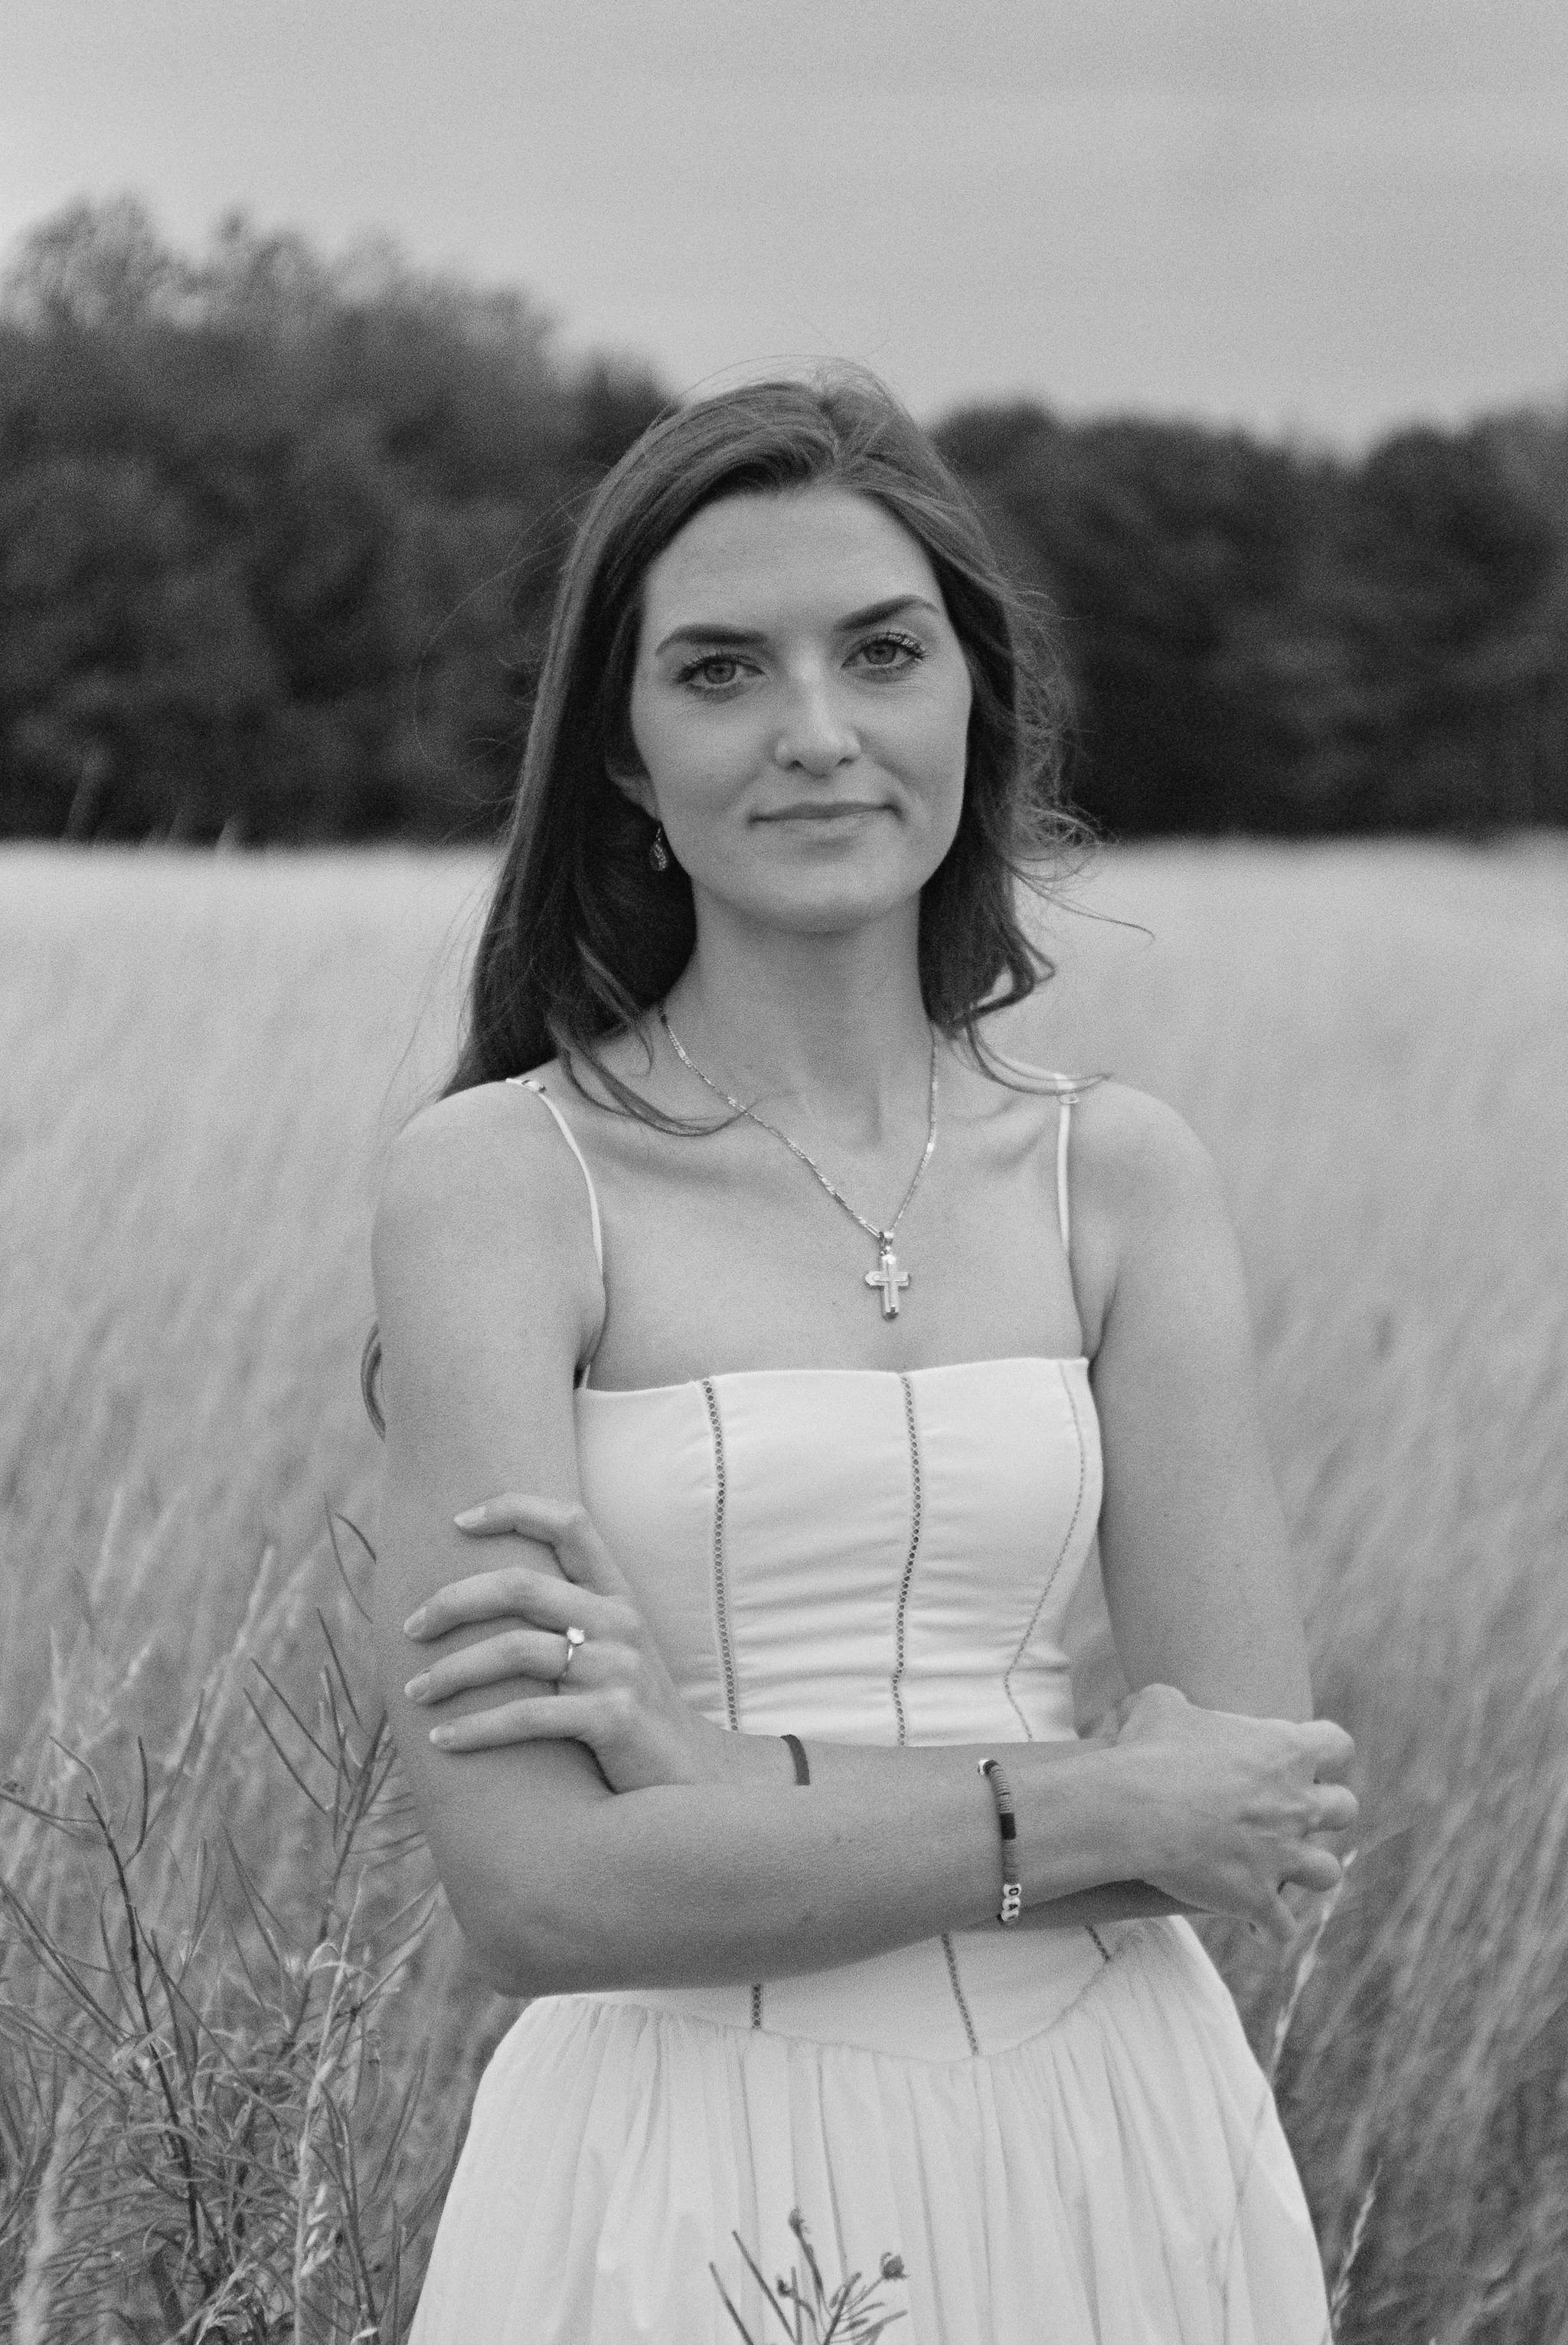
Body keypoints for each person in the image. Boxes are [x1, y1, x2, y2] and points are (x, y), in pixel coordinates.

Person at [364, 369, 1357, 2343]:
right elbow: (541, 1897)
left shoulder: (1120, 1177)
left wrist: (707, 1781)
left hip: (1116, 2143)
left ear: (970, 707)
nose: (818, 734)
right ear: (625, 762)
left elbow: (1253, 1812)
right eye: (722, 673)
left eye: (882, 654)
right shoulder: (500, 1182)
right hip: (686, 2156)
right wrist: (1094, 1807)